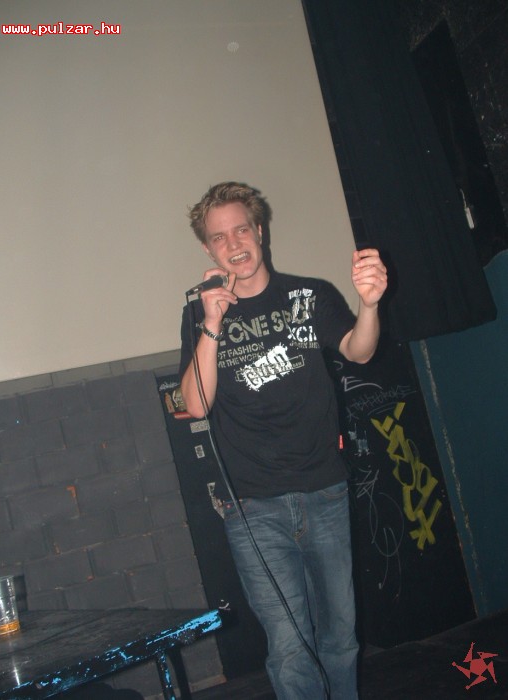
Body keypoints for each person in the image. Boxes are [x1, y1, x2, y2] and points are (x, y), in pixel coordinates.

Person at [179, 182, 387, 699]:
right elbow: (196, 404)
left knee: (340, 638)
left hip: (324, 492)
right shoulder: (200, 314)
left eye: (241, 230)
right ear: (208, 249)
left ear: (259, 230)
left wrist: (368, 305)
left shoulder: (307, 295)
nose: (233, 244)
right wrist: (211, 323)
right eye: (219, 237)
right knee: (291, 647)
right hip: (253, 507)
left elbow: (358, 350)